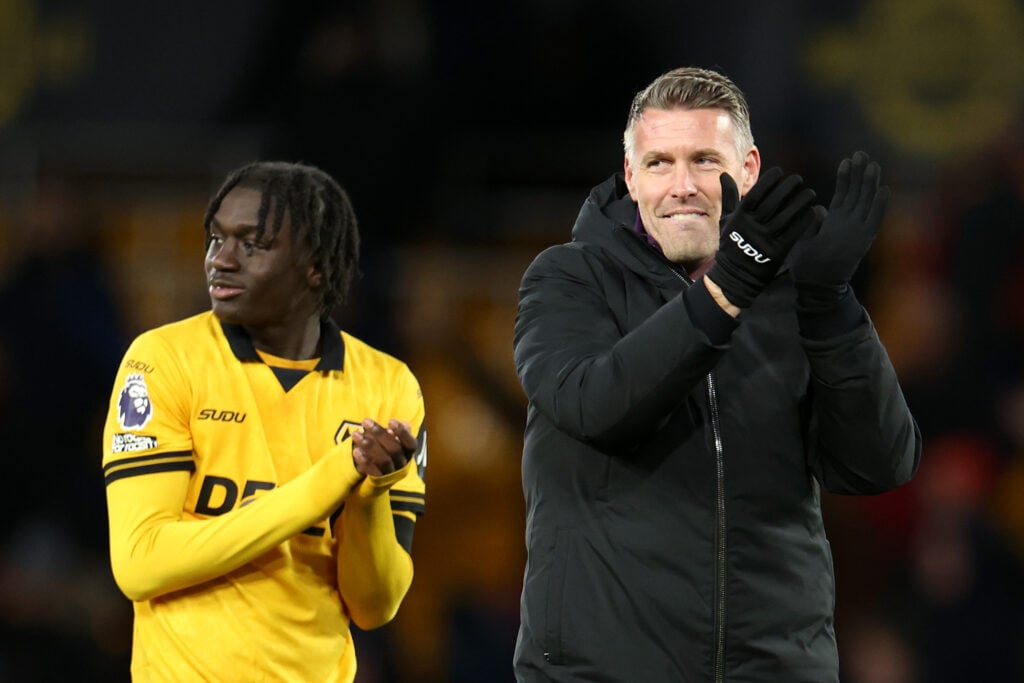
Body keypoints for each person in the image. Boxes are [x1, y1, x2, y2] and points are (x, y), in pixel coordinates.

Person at [512, 66, 921, 682]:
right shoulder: (568, 280)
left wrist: (830, 302)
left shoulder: (789, 298)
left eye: (705, 160)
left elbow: (878, 463)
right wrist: (734, 279)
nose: (682, 186)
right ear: (630, 177)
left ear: (749, 170)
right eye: (658, 163)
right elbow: (597, 405)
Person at [101, 161, 427, 682]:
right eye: (216, 239)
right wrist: (337, 472)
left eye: (251, 244)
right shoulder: (163, 359)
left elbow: (375, 606)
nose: (220, 261)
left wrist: (370, 493)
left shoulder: (388, 387)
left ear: (315, 266)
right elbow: (140, 562)